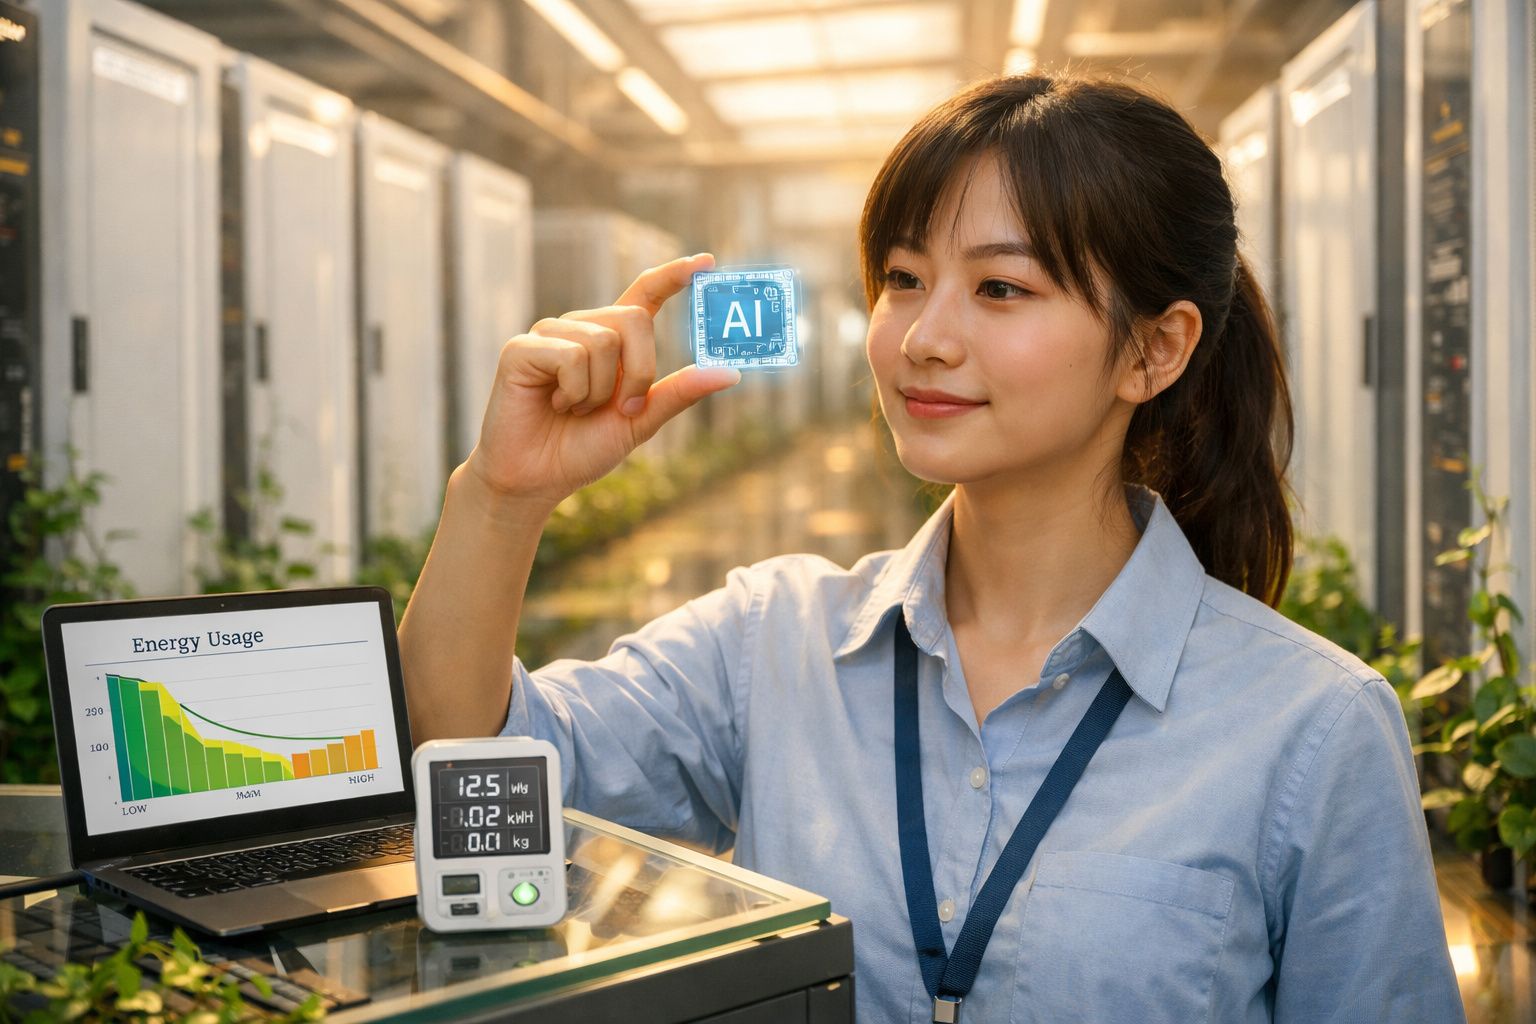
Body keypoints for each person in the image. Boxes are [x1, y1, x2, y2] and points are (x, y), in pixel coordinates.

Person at [398, 72, 1464, 1023]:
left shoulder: (1312, 729)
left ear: (1154, 349)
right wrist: (502, 496)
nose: (924, 336)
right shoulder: (772, 640)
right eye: (904, 278)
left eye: (1001, 288)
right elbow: (480, 771)